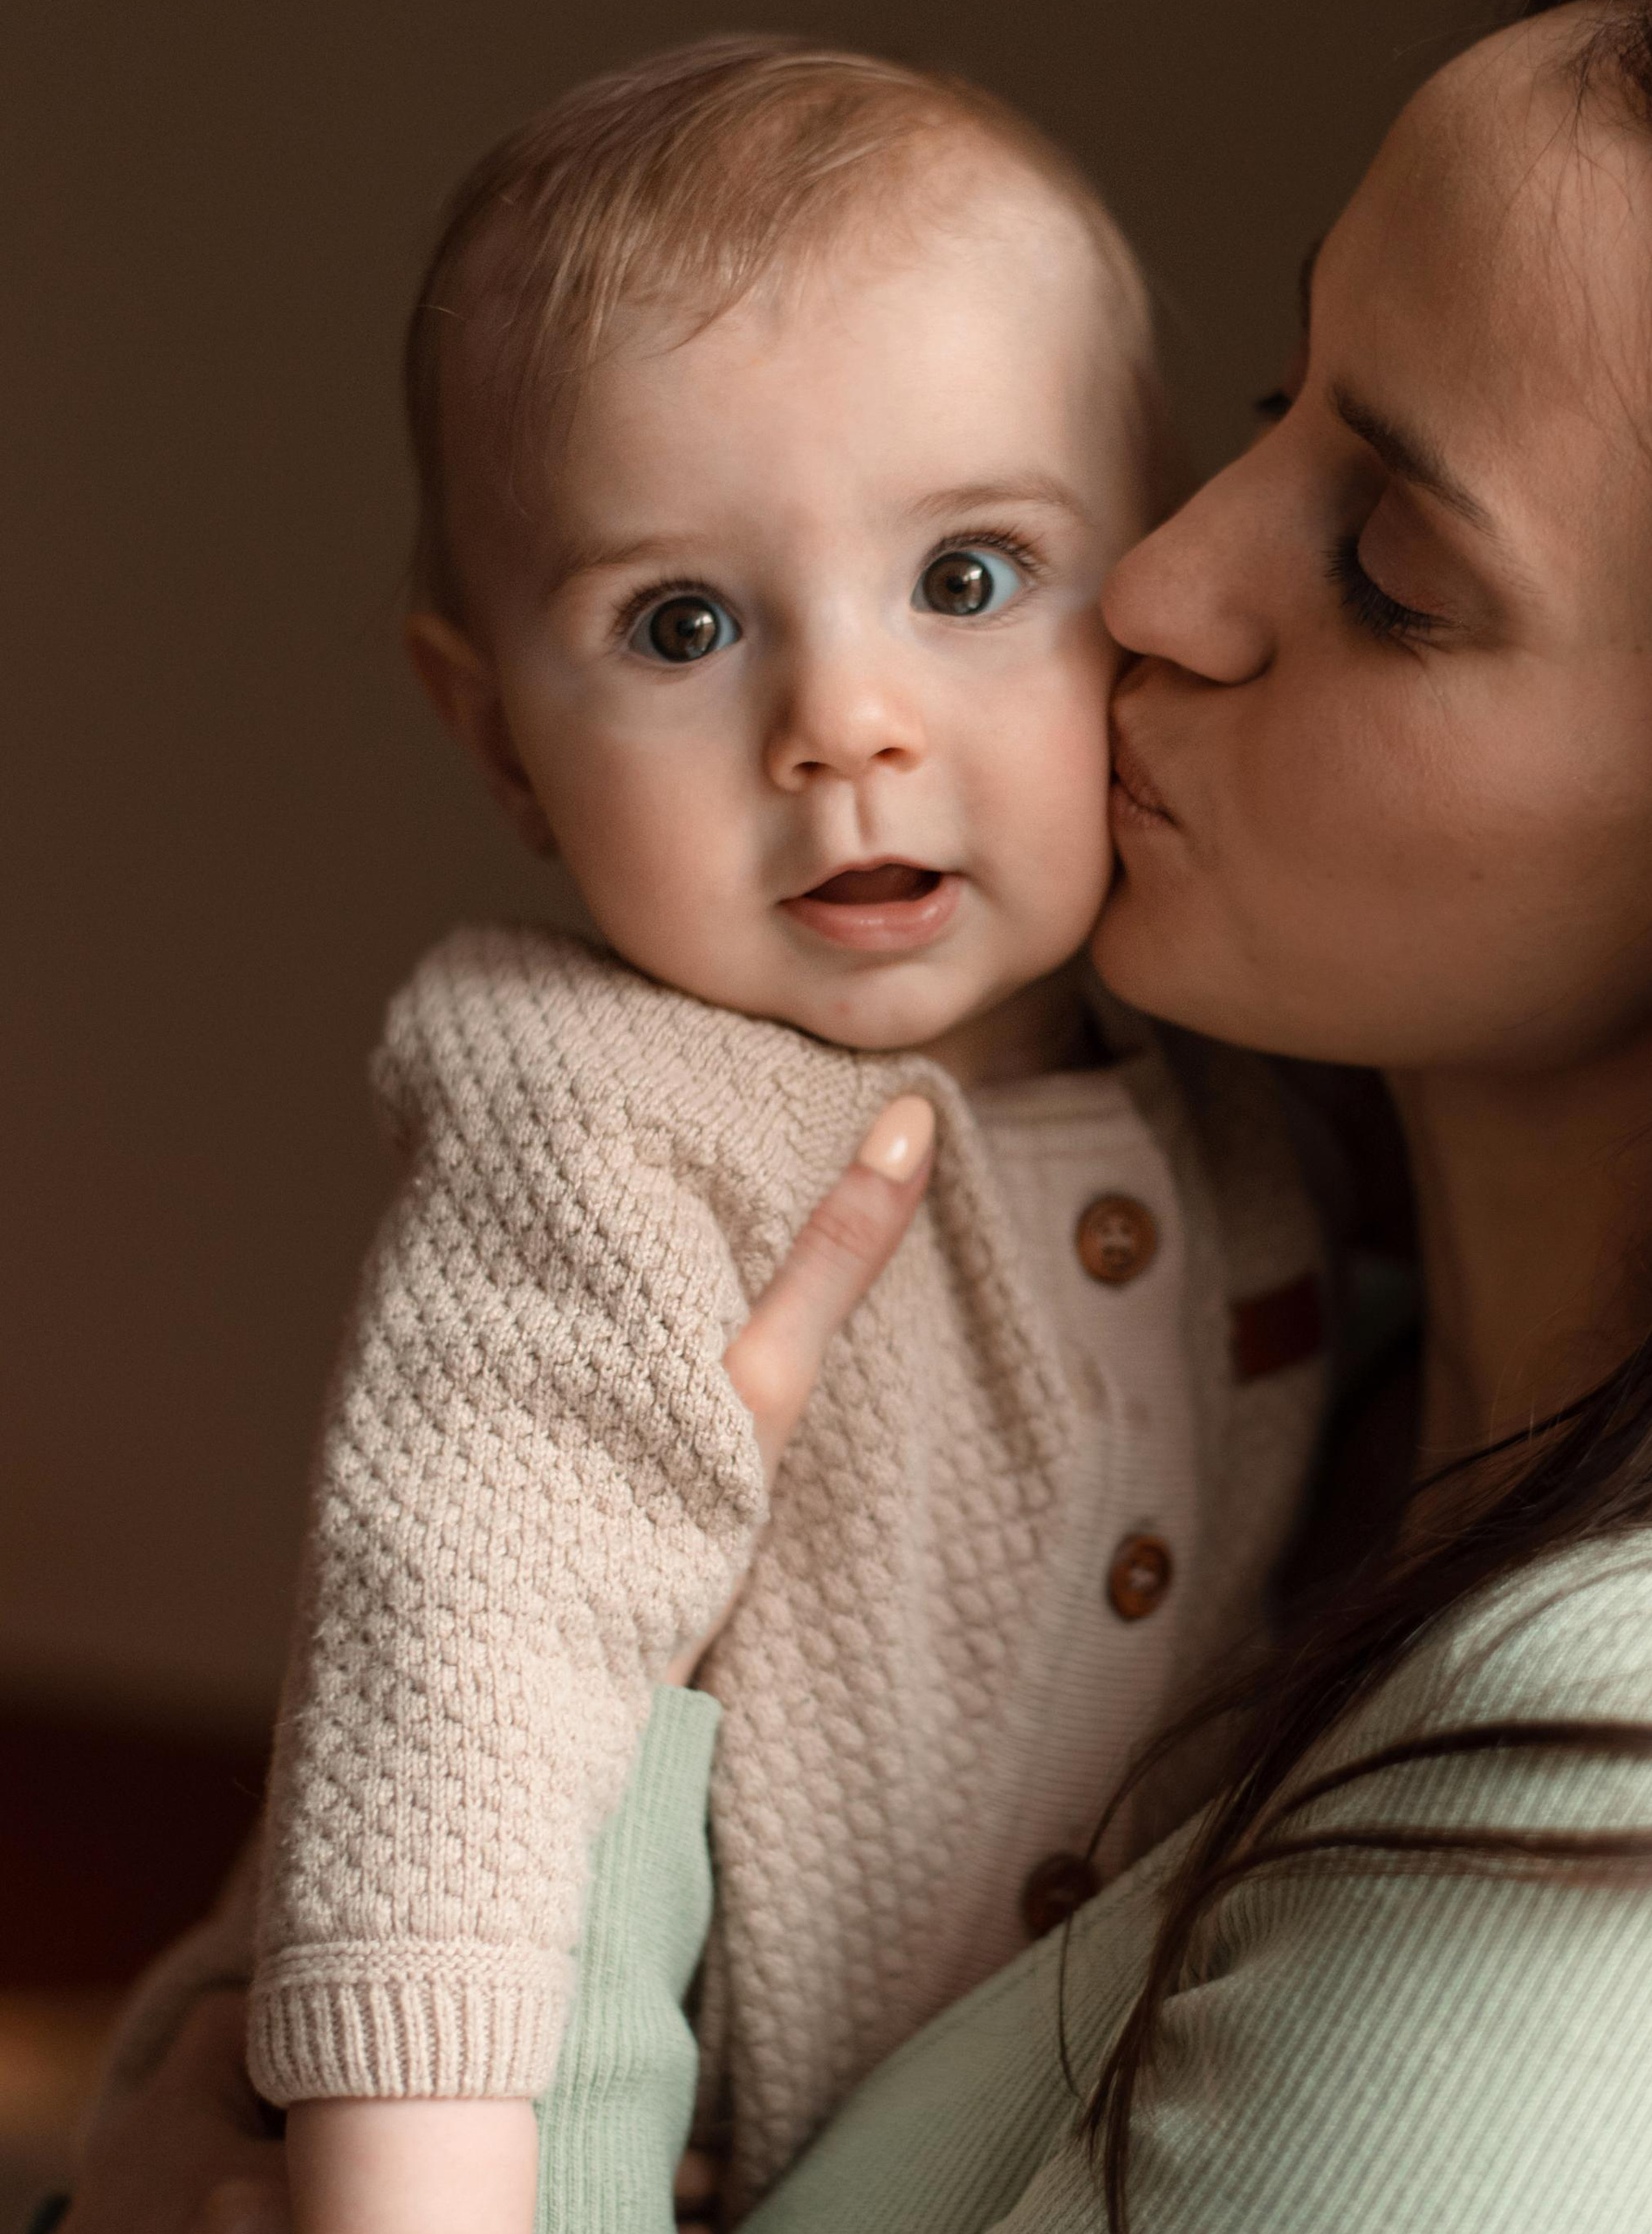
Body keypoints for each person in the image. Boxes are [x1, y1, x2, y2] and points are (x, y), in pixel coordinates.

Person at [64, 0, 1652, 2224]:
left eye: (1389, 560)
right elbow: (431, 1710)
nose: (1168, 577)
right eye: (1279, 405)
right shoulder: (1264, 1269)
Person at [68, 37, 1335, 2234]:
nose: (840, 722)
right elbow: (464, 1678)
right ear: (497, 741)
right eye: (682, 622)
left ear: (1146, 591)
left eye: (965, 577)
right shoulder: (600, 1124)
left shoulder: (1234, 1069)